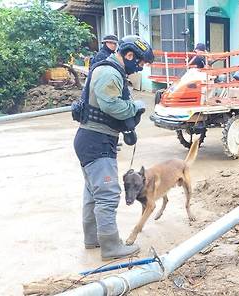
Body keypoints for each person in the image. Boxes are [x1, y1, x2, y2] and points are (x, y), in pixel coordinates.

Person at [72, 35, 154, 261]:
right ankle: (110, 247)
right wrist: (134, 106)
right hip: (97, 141)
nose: (139, 69)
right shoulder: (109, 72)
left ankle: (93, 239)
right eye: (140, 63)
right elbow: (111, 105)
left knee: (93, 193)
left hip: (92, 139)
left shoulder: (110, 70)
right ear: (129, 55)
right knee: (108, 195)